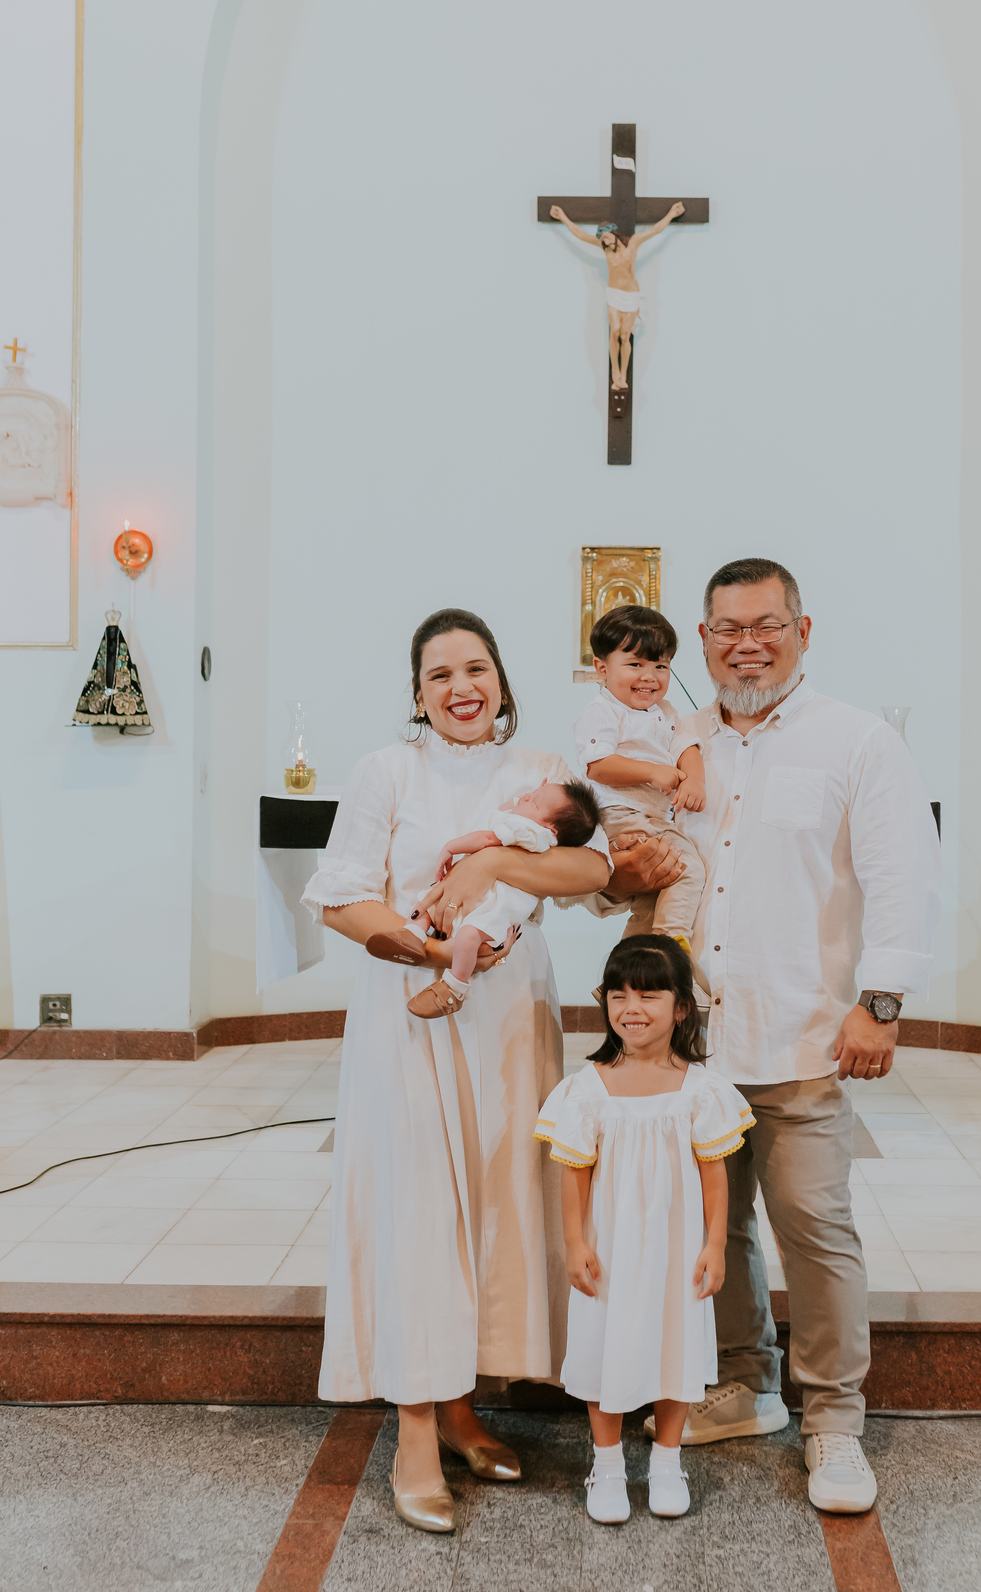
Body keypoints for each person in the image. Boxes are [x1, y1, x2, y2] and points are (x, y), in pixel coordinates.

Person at [592, 558, 941, 1514]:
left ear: (803, 629)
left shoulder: (855, 742)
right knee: (716, 1223)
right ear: (701, 639)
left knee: (815, 1229)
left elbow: (902, 876)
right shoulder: (679, 741)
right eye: (727, 628)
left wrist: (882, 1001)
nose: (747, 642)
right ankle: (743, 1382)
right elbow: (628, 861)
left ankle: (834, 1419)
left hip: (801, 1034)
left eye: (767, 624)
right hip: (692, 1047)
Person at [301, 608, 611, 1535]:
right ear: (418, 693)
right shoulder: (384, 771)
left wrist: (495, 869)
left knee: (498, 1207)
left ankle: (466, 1405)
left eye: (475, 669)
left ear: (503, 682)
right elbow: (338, 896)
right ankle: (417, 1436)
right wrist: (421, 954)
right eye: (439, 676)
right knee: (420, 1216)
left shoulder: (542, 770)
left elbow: (593, 870)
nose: (460, 688)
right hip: (411, 1022)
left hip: (512, 1024)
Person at [535, 936, 753, 1524]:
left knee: (674, 1343)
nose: (631, 1006)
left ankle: (666, 1460)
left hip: (675, 1247)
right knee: (604, 1342)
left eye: (649, 994)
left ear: (682, 1007)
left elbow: (714, 1176)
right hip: (610, 1246)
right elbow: (572, 1175)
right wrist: (575, 1242)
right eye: (619, 994)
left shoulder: (700, 1090)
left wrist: (713, 1243)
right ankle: (606, 1464)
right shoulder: (587, 1089)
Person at [396, 777, 603, 1019]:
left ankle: (454, 986)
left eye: (534, 802)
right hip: (482, 895)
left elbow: (486, 838)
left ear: (551, 829)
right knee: (436, 908)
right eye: (531, 793)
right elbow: (511, 806)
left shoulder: (530, 832)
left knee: (462, 931)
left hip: (494, 903)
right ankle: (411, 938)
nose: (525, 796)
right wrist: (538, 795)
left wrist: (451, 847)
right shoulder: (534, 827)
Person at [574, 604, 707, 970]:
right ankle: (671, 945)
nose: (650, 676)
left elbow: (686, 746)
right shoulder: (602, 711)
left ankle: (631, 973)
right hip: (620, 815)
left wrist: (694, 779)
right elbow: (599, 766)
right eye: (636, 664)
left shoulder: (665, 710)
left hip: (651, 816)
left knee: (653, 895)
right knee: (686, 867)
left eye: (660, 666)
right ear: (602, 668)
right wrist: (652, 772)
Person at [548, 200, 685, 390]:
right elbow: (580, 234)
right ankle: (615, 373)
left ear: (613, 233)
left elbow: (655, 230)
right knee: (614, 332)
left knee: (625, 334)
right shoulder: (604, 249)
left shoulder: (633, 243)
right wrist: (563, 217)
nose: (604, 241)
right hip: (613, 294)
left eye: (605, 237)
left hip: (631, 294)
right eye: (601, 239)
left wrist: (671, 214)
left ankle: (623, 374)